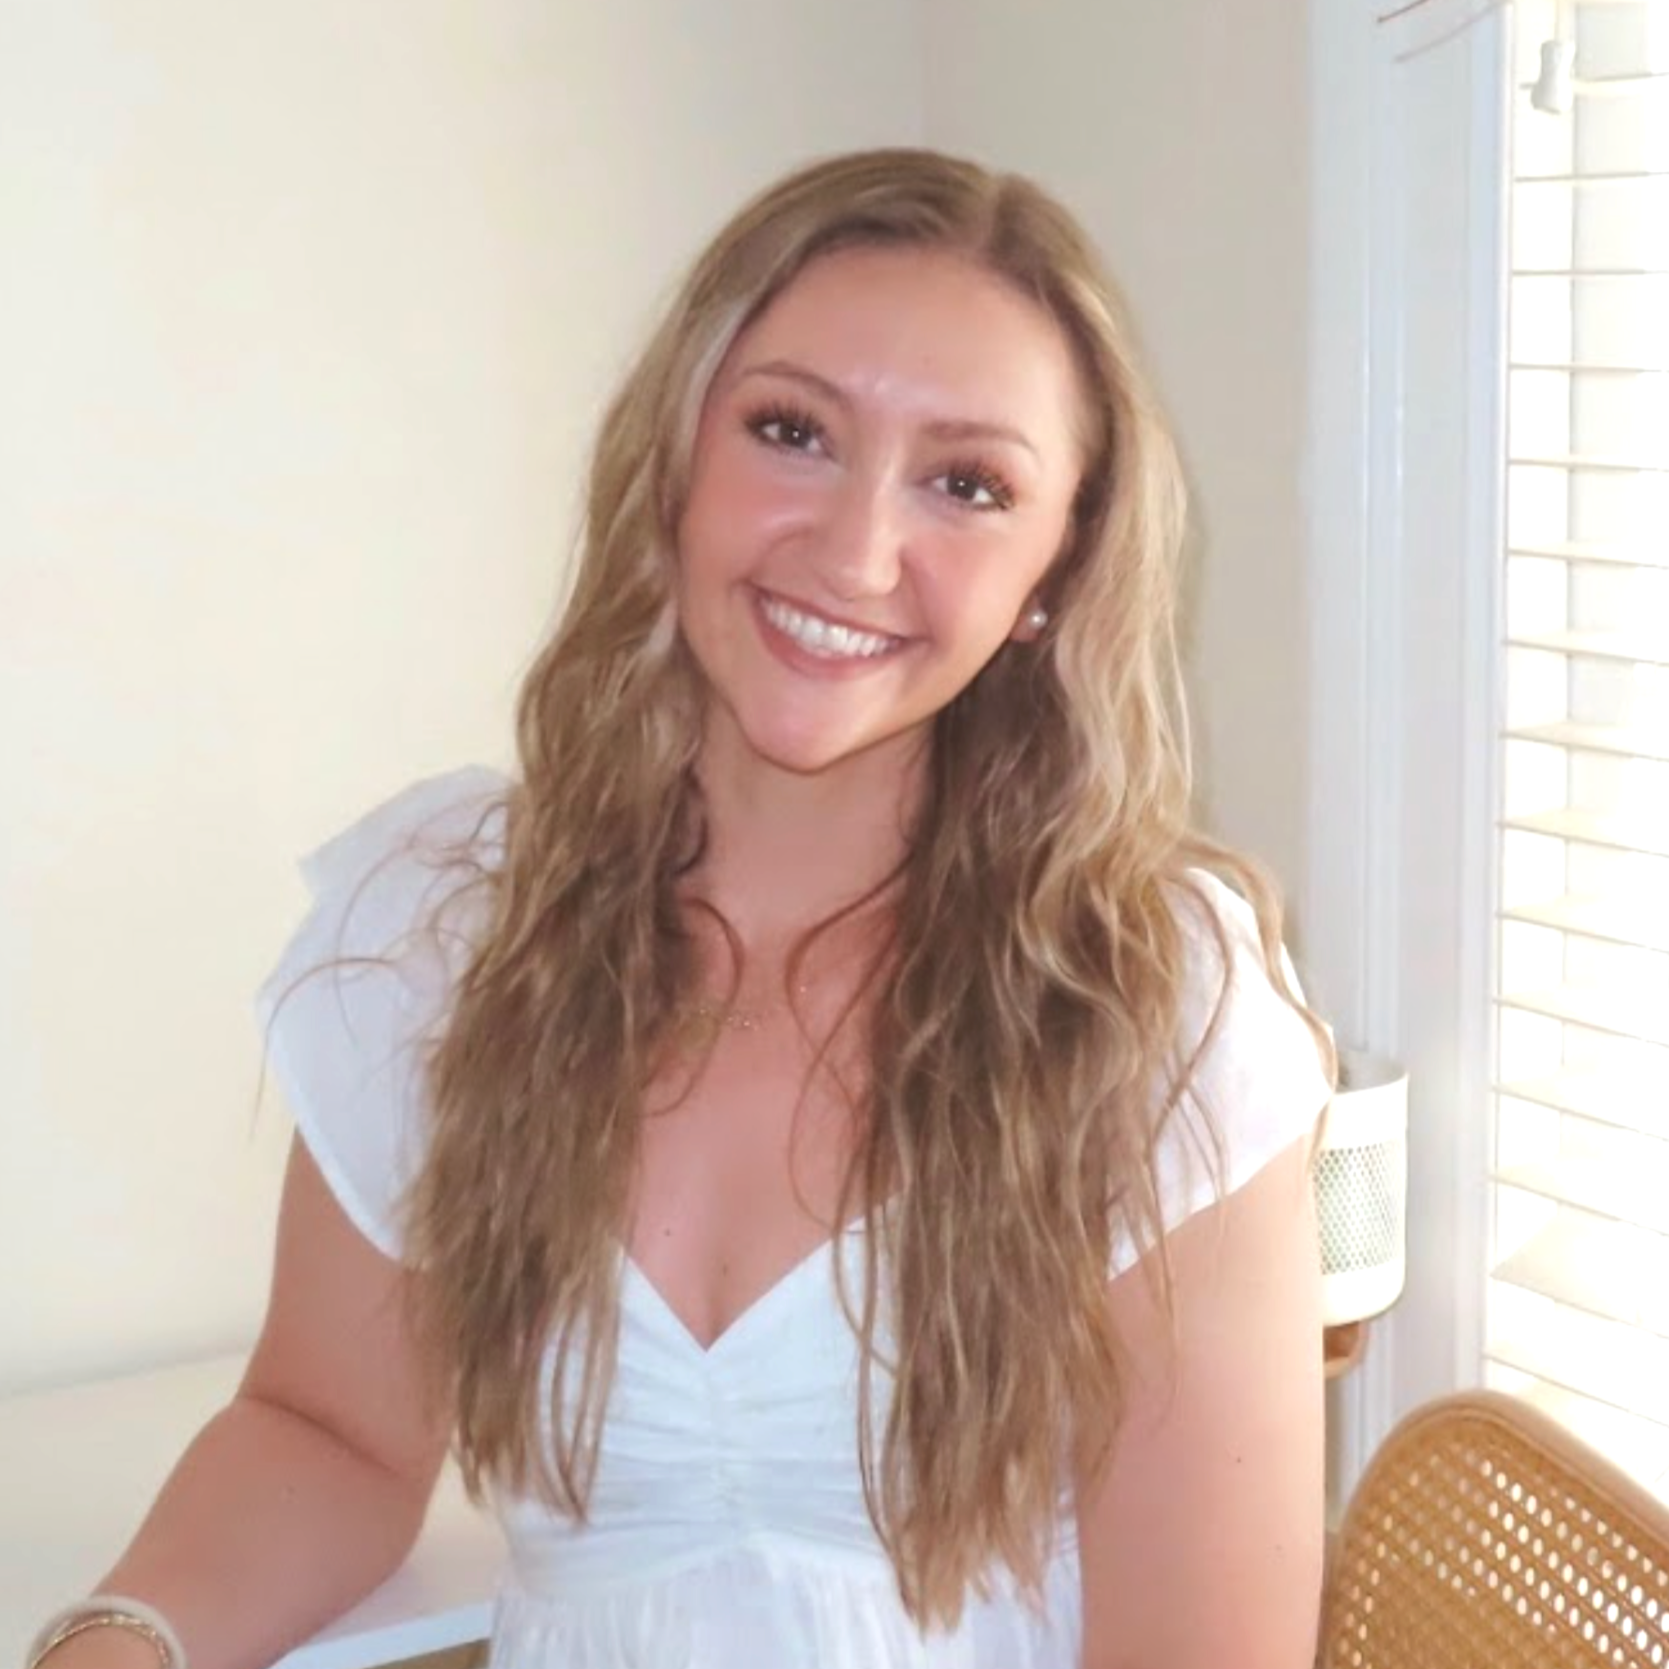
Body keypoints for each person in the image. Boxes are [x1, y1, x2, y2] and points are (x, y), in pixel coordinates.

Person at [29, 148, 1333, 1669]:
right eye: (793, 432)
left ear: (1057, 572)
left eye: (967, 484)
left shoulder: (1154, 1009)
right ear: (675, 461)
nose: (853, 552)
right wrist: (117, 1644)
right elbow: (329, 1432)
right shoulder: (446, 934)